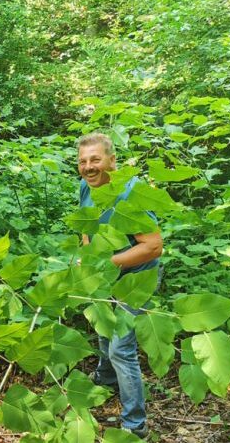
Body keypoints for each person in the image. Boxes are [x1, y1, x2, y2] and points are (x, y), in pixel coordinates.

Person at [77, 133, 162, 439]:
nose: (89, 167)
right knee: (102, 328)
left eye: (95, 159)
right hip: (107, 274)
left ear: (112, 161)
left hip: (137, 278)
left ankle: (135, 426)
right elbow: (87, 227)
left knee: (120, 348)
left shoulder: (128, 196)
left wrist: (105, 263)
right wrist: (88, 258)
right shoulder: (86, 187)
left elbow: (153, 246)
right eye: (83, 161)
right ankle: (105, 381)